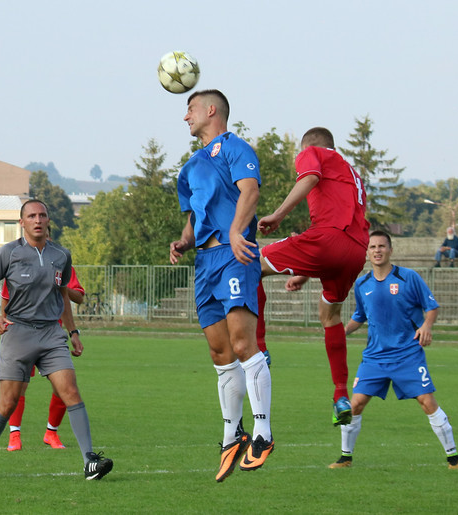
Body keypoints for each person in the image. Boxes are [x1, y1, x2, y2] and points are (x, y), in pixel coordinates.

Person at [169, 89, 273, 482]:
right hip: (206, 262)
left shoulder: (235, 147)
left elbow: (250, 191)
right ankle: (233, 434)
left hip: (235, 253)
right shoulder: (189, 167)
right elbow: (195, 218)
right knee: (219, 351)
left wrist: (234, 231)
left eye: (190, 109)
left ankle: (263, 431)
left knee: (244, 343)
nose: (186, 117)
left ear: (211, 111)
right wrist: (183, 240)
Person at [0, 199, 113, 480]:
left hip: (51, 334)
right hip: (18, 334)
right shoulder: (8, 253)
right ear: (22, 222)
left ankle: (89, 461)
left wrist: (73, 333)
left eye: (42, 215)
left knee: (70, 391)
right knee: (8, 403)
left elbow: (63, 296)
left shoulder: (61, 255)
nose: (38, 220)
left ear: (49, 221)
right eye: (32, 216)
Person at [256, 126, 370, 426]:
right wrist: (305, 275)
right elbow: (342, 227)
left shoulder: (312, 153)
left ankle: (260, 349)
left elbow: (309, 178)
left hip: (328, 240)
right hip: (356, 252)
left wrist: (278, 214)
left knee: (249, 265)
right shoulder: (353, 174)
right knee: (329, 316)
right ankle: (341, 395)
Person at [329, 230, 458, 470]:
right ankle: (345, 458)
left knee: (427, 402)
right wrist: (340, 333)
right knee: (355, 405)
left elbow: (431, 307)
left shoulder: (408, 277)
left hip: (407, 355)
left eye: (381, 246)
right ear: (367, 252)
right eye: (372, 247)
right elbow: (359, 316)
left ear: (391, 250)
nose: (377, 250)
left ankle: (454, 459)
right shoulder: (362, 283)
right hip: (374, 357)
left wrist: (426, 326)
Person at [1, 265, 86, 451]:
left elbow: (78, 297)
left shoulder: (62, 265)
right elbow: (6, 298)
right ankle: (14, 435)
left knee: (64, 387)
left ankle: (51, 433)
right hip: (22, 334)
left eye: (46, 235)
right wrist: (5, 326)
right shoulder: (18, 264)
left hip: (52, 336)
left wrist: (60, 286)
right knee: (18, 386)